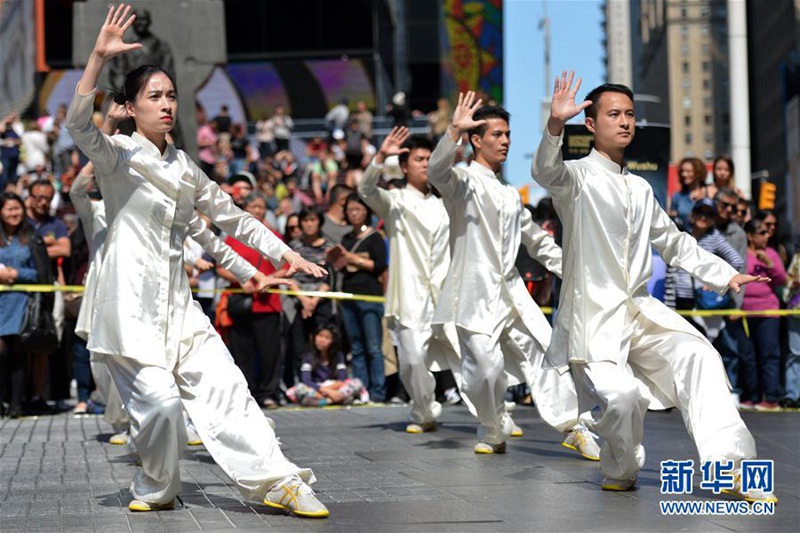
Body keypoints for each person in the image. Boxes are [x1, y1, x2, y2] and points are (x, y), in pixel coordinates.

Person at [65, 5, 329, 517]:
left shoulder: (186, 166)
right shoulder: (117, 155)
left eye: (170, 95)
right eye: (154, 96)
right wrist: (97, 57)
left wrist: (284, 253)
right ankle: (157, 485)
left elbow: (231, 219)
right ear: (130, 107)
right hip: (129, 309)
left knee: (228, 390)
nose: (166, 104)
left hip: (179, 308)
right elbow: (78, 125)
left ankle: (281, 482)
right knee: (161, 405)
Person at [532, 71, 775, 502]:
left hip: (641, 312)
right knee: (623, 397)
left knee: (700, 356)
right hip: (593, 320)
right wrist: (554, 126)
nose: (624, 121)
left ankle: (732, 468)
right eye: (613, 114)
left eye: (629, 114)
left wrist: (725, 274)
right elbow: (545, 171)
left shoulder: (642, 189)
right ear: (590, 123)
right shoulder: (576, 179)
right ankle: (621, 466)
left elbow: (674, 242)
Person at [427, 92, 600, 457]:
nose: (505, 141)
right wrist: (453, 132)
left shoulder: (509, 194)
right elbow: (436, 172)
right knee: (485, 371)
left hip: (512, 295)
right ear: (477, 140)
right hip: (473, 297)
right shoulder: (462, 183)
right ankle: (492, 429)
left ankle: (574, 427)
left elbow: (537, 240)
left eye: (507, 134)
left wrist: (575, 269)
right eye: (497, 134)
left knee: (545, 357)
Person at [358, 128, 469, 433]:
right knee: (413, 359)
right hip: (409, 295)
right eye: (419, 159)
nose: (425, 164)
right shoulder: (395, 202)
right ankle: (423, 411)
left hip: (446, 295)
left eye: (430, 159)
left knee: (469, 355)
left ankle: (493, 414)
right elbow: (366, 190)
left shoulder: (447, 202)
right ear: (405, 166)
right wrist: (381, 156)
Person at [216, 192, 286, 409]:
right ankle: (247, 393)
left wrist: (269, 279)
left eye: (262, 207)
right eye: (254, 206)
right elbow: (221, 268)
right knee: (242, 351)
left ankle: (268, 393)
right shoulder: (233, 237)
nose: (258, 211)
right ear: (246, 209)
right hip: (241, 302)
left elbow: (286, 266)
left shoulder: (274, 236)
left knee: (269, 351)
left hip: (267, 302)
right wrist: (241, 279)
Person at [334, 193, 388, 402]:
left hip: (369, 296)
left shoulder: (375, 237)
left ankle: (378, 392)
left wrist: (353, 259)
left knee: (373, 347)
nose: (354, 213)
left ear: (366, 211)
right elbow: (341, 266)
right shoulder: (346, 238)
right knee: (356, 347)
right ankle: (360, 389)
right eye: (350, 210)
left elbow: (380, 265)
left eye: (357, 209)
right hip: (349, 294)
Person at [0, 193, 49, 418]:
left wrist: (16, 274)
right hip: (1, 304)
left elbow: (40, 272)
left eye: (17, 208)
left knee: (18, 352)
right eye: (9, 209)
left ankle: (17, 403)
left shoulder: (32, 237)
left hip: (22, 303)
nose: (14, 213)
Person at [739, 219, 787, 410]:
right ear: (750, 236)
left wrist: (770, 264)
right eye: (761, 233)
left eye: (767, 233)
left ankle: (772, 398)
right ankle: (752, 396)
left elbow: (782, 280)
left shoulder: (771, 253)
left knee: (769, 354)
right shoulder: (741, 254)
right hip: (744, 312)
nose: (767, 236)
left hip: (768, 311)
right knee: (748, 356)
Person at [283, 207, 333, 389]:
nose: (309, 224)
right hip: (298, 300)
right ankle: (300, 385)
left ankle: (322, 383)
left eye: (313, 220)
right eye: (305, 220)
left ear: (319, 222)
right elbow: (289, 276)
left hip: (321, 300)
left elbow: (330, 278)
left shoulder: (329, 247)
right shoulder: (293, 247)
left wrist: (314, 300)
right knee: (298, 344)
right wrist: (304, 300)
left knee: (323, 343)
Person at [285, 324, 364, 406]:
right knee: (299, 388)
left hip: (334, 387)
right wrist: (325, 390)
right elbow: (306, 380)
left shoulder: (338, 356)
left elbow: (342, 378)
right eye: (320, 336)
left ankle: (324, 402)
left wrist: (330, 390)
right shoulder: (308, 356)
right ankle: (338, 400)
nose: (322, 340)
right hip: (317, 388)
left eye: (327, 338)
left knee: (357, 383)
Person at [667, 157, 709, 231]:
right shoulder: (677, 196)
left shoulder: (708, 192)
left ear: (698, 173)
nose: (684, 174)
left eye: (688, 171)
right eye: (682, 171)